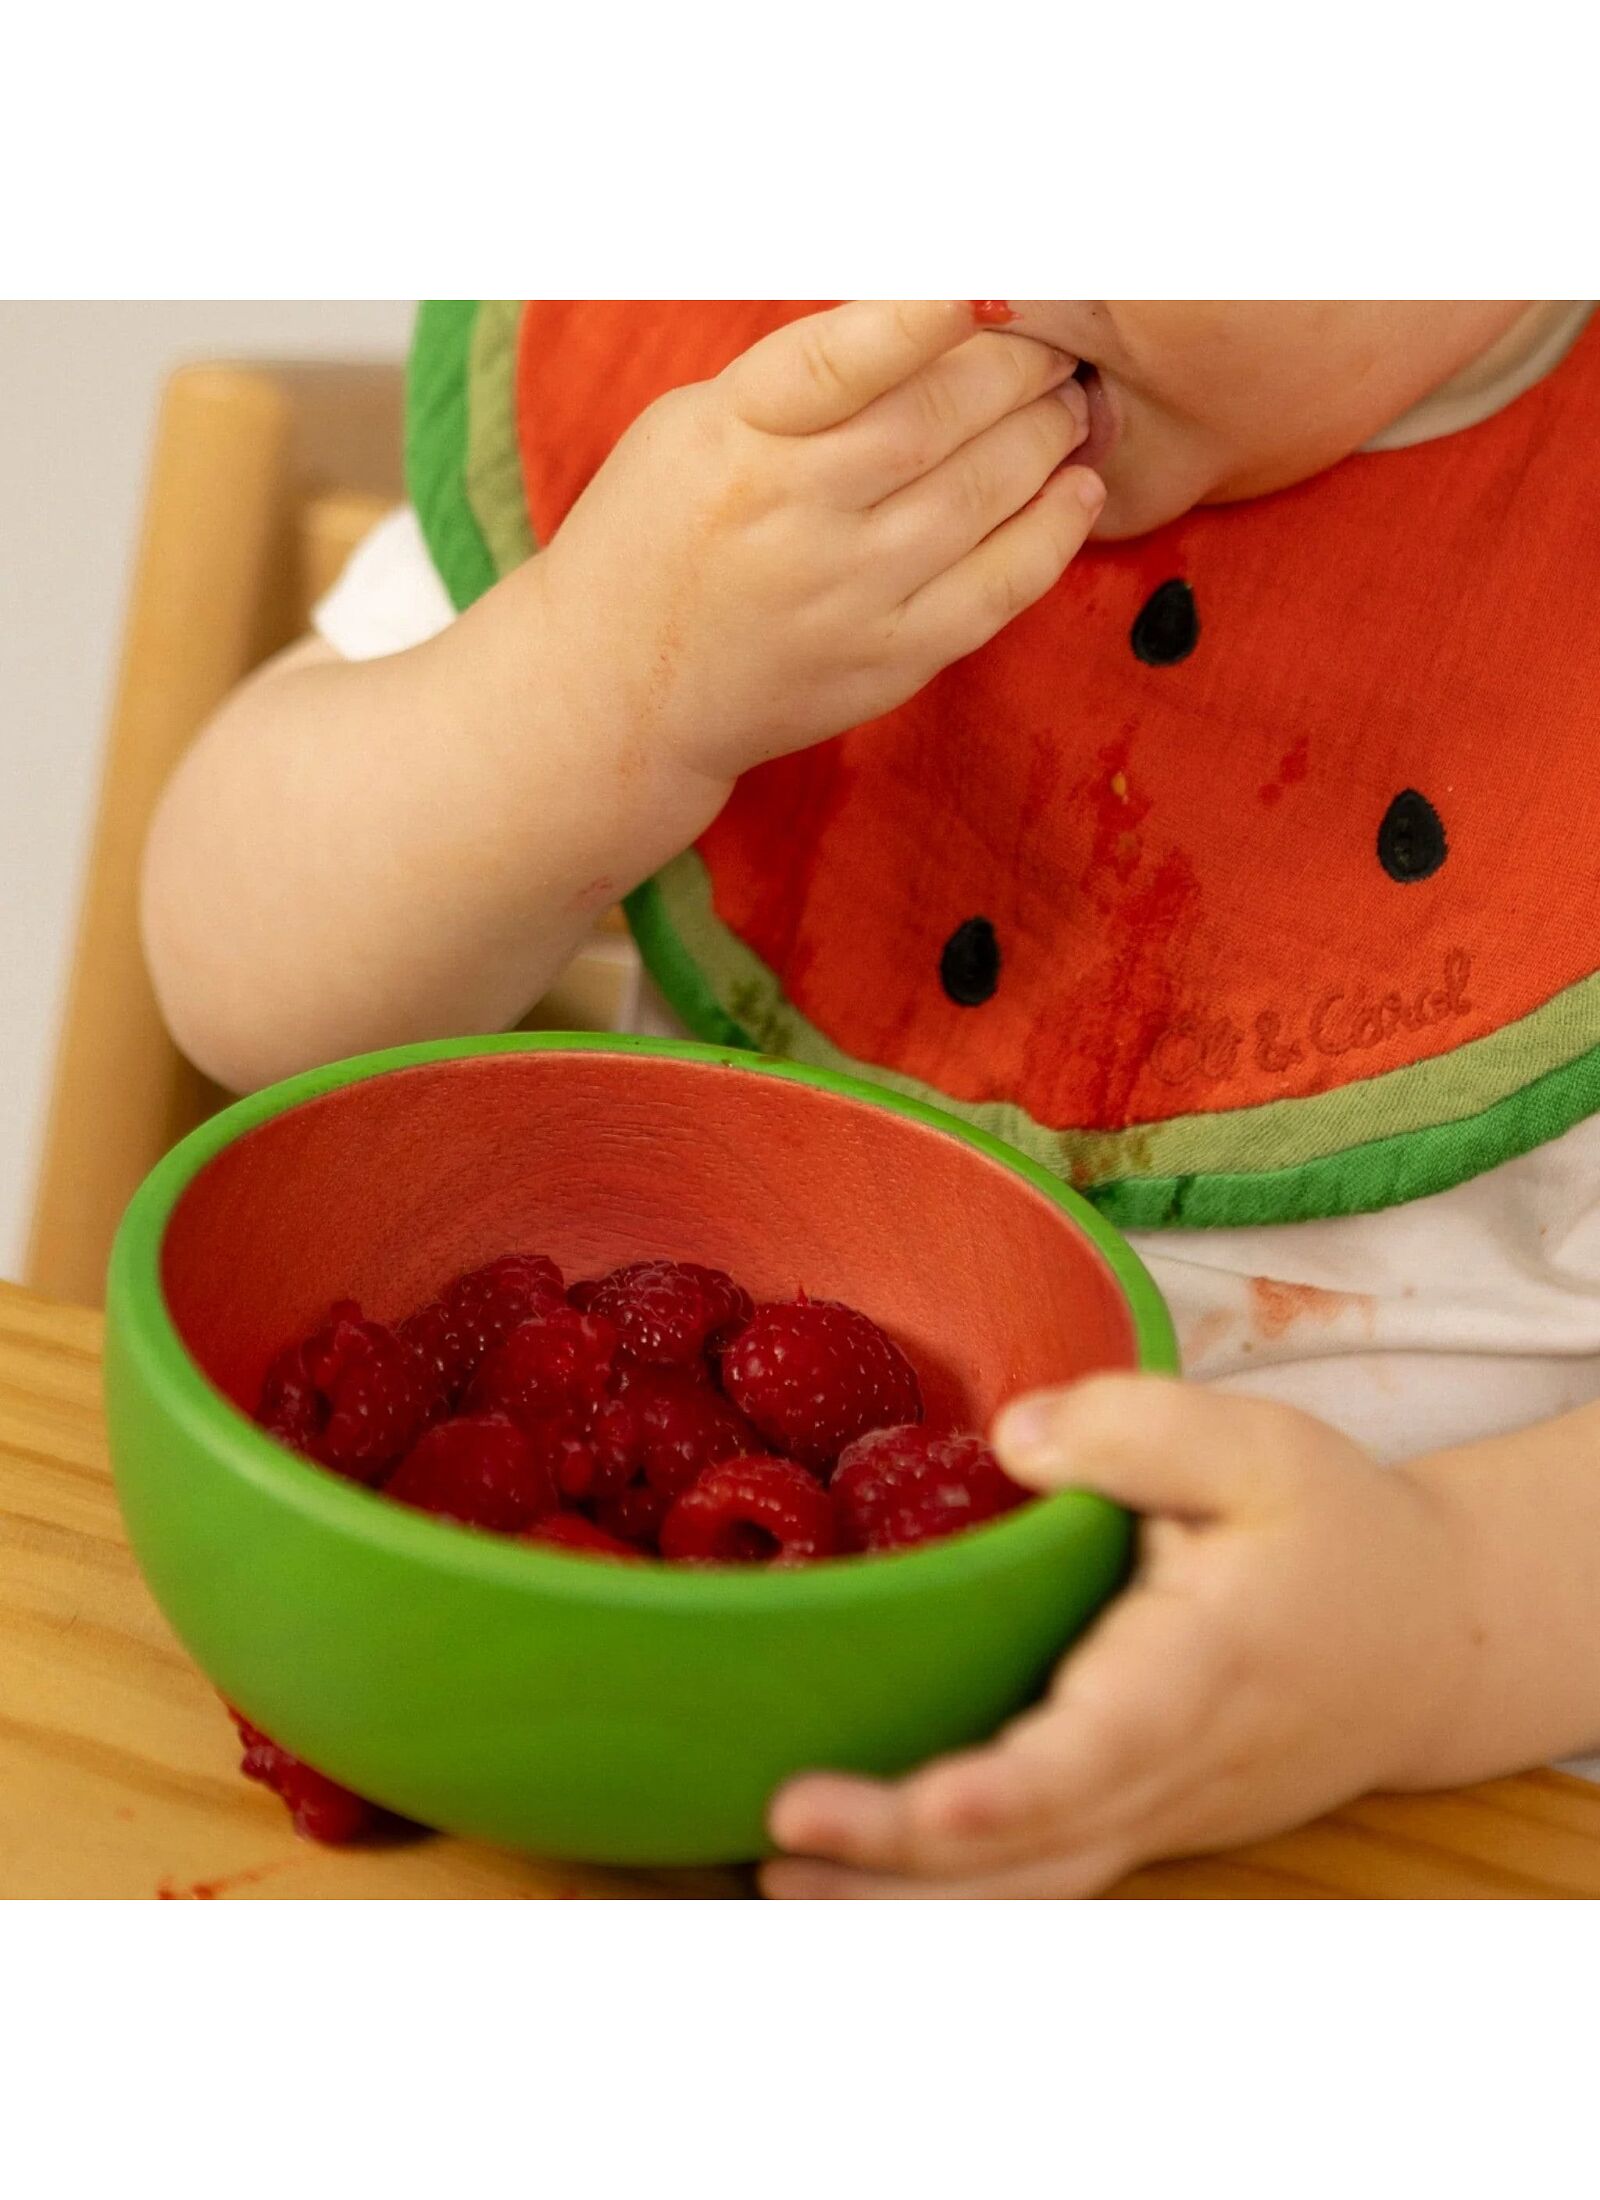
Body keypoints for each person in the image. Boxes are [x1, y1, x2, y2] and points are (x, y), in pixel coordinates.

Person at [142, 299, 1600, 1897]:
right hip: (625, 1748)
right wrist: (588, 687)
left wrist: (1441, 1620)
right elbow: (239, 983)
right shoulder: (776, 410)